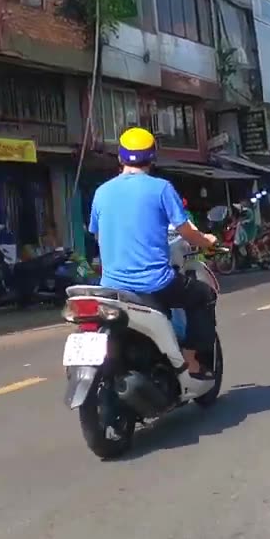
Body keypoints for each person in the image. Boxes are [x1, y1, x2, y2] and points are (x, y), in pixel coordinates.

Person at [88, 127, 221, 378]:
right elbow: (186, 231)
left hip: (112, 286)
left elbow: (97, 235)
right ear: (152, 157)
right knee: (203, 295)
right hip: (154, 284)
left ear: (120, 158)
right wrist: (207, 241)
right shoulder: (161, 188)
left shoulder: (101, 192)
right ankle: (191, 362)